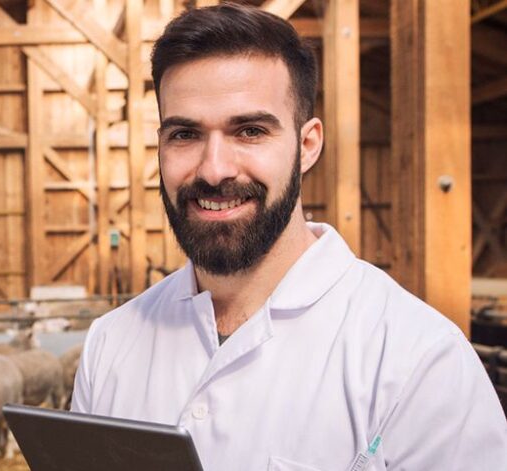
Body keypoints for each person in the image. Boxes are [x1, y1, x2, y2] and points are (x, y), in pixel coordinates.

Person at [71, 3, 507, 469]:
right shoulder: (111, 344)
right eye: (184, 134)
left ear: (307, 145)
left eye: (250, 130)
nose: (215, 169)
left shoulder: (418, 360)